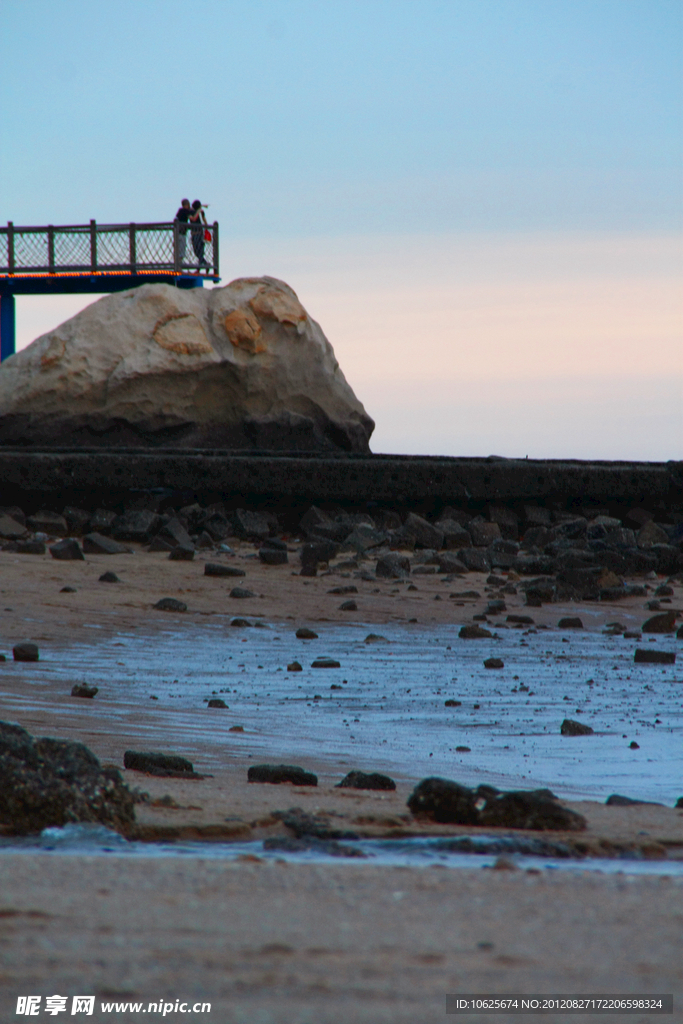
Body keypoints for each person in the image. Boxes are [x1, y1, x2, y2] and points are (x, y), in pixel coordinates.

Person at [189, 200, 210, 268]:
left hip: (197, 233)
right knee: (199, 250)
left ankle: (201, 265)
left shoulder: (196, 212)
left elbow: (201, 219)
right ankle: (204, 264)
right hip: (198, 232)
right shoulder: (197, 211)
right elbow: (203, 220)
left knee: (198, 250)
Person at [175, 199, 191, 267]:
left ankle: (177, 264)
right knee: (182, 248)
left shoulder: (180, 211)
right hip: (182, 233)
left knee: (177, 248)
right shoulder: (186, 211)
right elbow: (192, 216)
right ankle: (179, 264)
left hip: (177, 232)